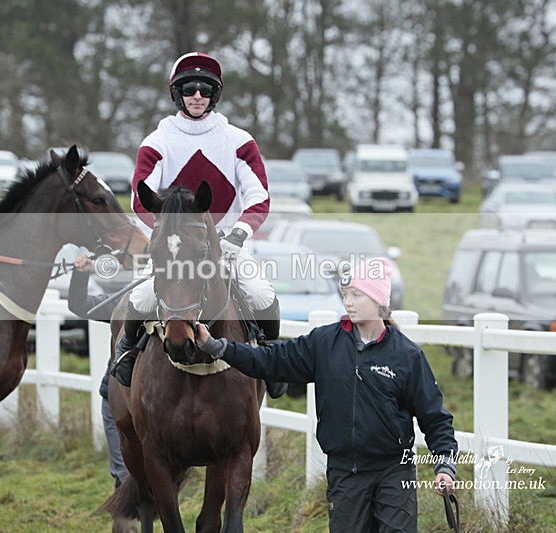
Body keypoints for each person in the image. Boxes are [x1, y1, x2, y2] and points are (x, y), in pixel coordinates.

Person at [195, 257, 458, 532]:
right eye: (346, 295)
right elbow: (270, 360)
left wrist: (445, 464)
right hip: (345, 474)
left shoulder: (407, 355)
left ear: (378, 300)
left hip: (394, 473)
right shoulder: (323, 343)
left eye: (356, 295)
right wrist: (219, 347)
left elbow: (435, 418)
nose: (348, 302)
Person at [111, 51, 286, 398]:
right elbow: (140, 197)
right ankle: (127, 352)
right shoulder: (157, 142)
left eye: (205, 90)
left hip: (227, 241)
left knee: (261, 294)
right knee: (141, 297)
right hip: (175, 245)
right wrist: (168, 234)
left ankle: (270, 359)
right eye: (188, 89)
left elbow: (259, 196)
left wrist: (238, 235)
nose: (197, 96)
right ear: (177, 94)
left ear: (214, 95)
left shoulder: (239, 140)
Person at [67, 255, 128, 488]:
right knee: (126, 480)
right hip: (118, 404)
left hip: (156, 409)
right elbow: (80, 304)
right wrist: (81, 274)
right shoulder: (126, 300)